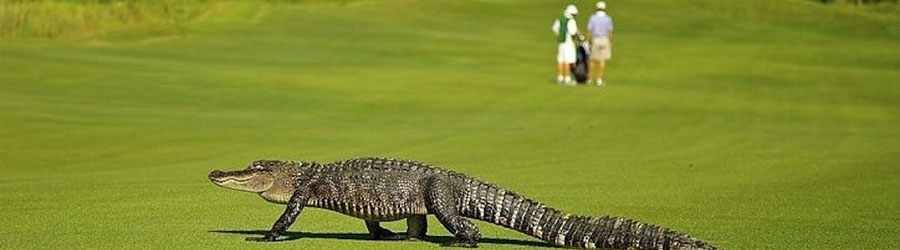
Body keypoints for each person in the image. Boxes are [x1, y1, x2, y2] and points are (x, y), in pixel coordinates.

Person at [551, 4, 580, 85]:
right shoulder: (571, 20)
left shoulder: (560, 18)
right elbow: (573, 32)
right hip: (569, 43)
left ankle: (560, 78)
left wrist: (559, 35)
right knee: (567, 61)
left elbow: (554, 28)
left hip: (561, 42)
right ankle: (567, 79)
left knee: (561, 60)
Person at [587, 1, 613, 86]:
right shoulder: (608, 18)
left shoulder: (593, 18)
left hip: (595, 39)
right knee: (602, 60)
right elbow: (610, 32)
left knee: (592, 60)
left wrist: (589, 41)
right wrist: (610, 42)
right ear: (604, 8)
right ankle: (599, 80)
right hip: (605, 40)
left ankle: (590, 79)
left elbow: (590, 31)